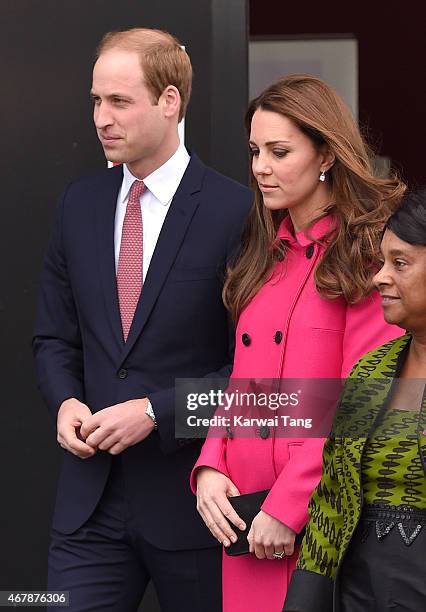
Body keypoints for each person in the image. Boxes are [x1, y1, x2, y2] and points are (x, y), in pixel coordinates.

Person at [33, 27, 252, 611]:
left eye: (119, 102)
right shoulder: (78, 204)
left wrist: (158, 411)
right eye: (96, 101)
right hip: (89, 508)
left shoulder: (239, 211)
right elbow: (54, 336)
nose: (101, 118)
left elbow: (258, 373)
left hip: (198, 505)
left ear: (170, 101)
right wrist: (64, 402)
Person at [190, 74, 406, 612]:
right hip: (243, 519)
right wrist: (211, 463)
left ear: (326, 153)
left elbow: (364, 402)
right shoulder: (263, 254)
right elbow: (244, 382)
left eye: (279, 151)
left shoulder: (366, 258)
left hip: (315, 528)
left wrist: (289, 507)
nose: (260, 167)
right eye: (254, 151)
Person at [284, 190, 426, 612]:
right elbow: (331, 499)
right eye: (383, 262)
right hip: (358, 595)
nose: (380, 277)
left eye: (399, 263)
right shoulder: (372, 370)